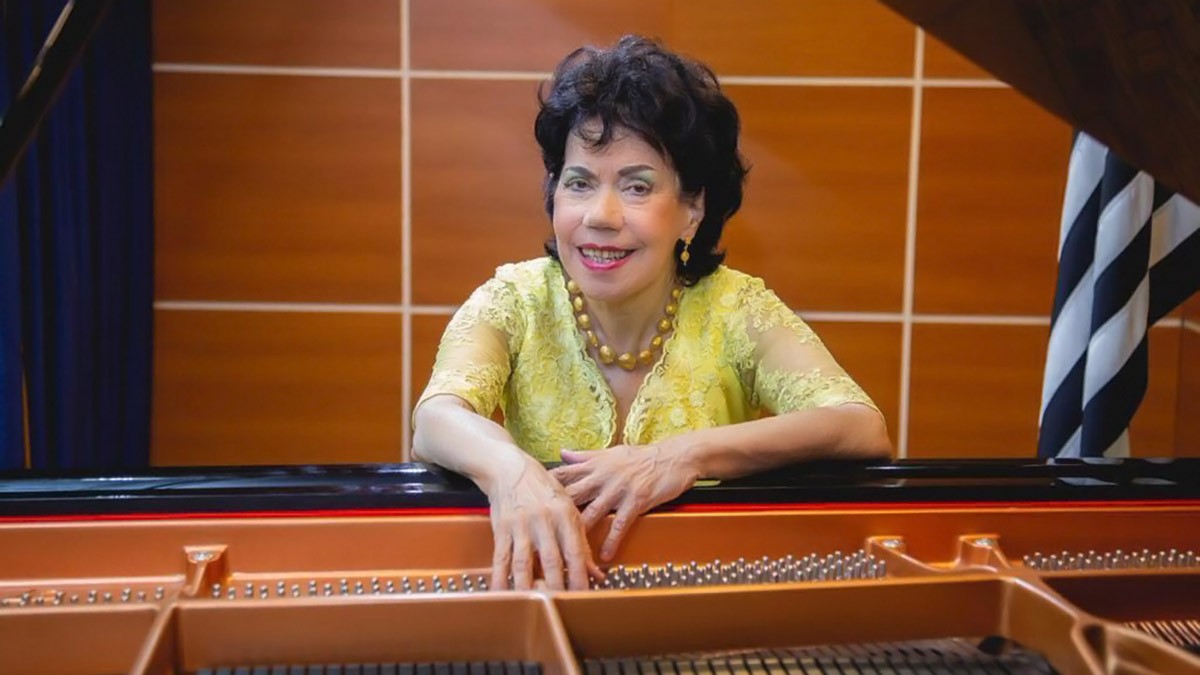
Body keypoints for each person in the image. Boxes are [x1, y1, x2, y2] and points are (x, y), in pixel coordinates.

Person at [411, 35, 892, 592]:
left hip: (704, 600)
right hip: (546, 594)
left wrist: (682, 456)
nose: (601, 215)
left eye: (637, 187)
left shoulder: (735, 308)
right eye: (579, 183)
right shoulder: (516, 299)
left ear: (693, 208)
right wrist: (511, 470)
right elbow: (436, 419)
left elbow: (859, 426)